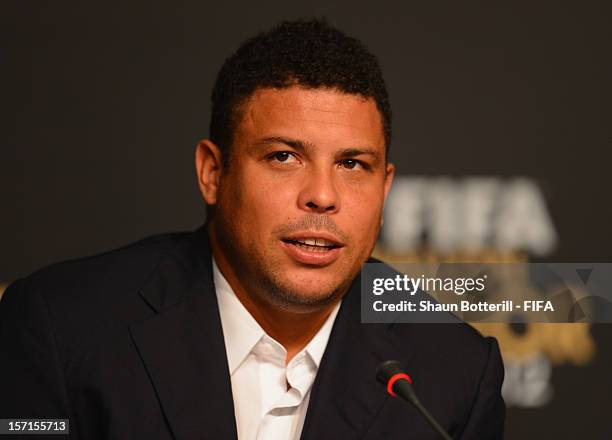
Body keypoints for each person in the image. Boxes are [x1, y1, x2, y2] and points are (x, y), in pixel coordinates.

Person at [0, 19, 505, 439]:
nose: (323, 195)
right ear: (213, 173)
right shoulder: (60, 329)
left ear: (385, 186)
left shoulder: (454, 373)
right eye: (284, 156)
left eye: (353, 165)